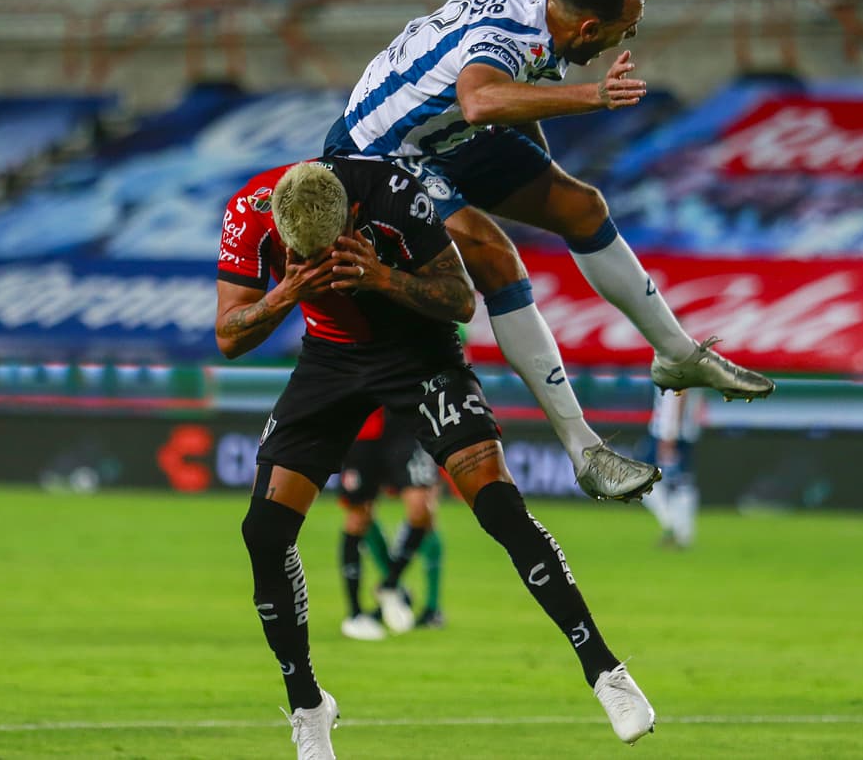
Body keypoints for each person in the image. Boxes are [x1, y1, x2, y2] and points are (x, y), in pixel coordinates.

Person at [216, 159, 655, 758]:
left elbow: (458, 299)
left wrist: (380, 279)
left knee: (498, 505)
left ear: (351, 214)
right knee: (263, 531)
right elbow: (228, 333)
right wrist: (288, 293)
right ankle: (307, 706)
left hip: (417, 353)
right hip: (330, 361)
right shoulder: (249, 212)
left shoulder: (395, 194)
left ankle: (607, 673)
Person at [323, 0, 775, 503]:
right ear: (589, 27)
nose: (624, 41)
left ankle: (677, 356)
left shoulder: (547, 5)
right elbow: (480, 100)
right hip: (381, 153)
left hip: (444, 135)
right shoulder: (510, 35)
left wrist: (542, 177)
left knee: (580, 206)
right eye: (624, 29)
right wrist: (596, 96)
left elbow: (508, 100)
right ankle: (584, 451)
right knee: (496, 257)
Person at [337, 406, 444, 640]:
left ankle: (391, 583)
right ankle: (355, 613)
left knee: (421, 509)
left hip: (405, 427)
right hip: (364, 429)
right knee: (357, 518)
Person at [638, 388, 705, 548]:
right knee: (679, 483)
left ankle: (678, 531)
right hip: (678, 430)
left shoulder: (676, 364)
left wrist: (669, 433)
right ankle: (679, 531)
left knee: (646, 481)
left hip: (669, 433)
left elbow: (679, 393)